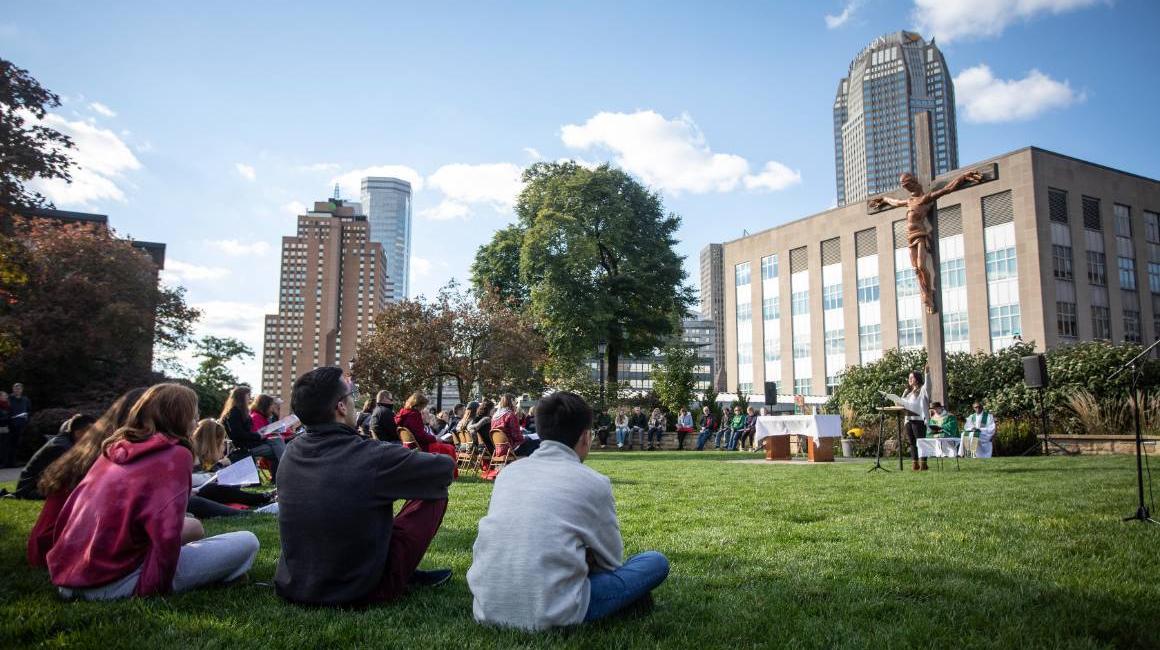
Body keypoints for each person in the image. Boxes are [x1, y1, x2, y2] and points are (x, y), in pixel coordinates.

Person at [467, 391, 669, 630]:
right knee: (654, 562)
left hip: (488, 606)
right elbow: (612, 561)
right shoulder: (593, 482)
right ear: (585, 437)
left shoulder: (508, 474)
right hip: (554, 610)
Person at [47, 384, 259, 600]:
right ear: (180, 417)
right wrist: (151, 588)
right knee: (247, 541)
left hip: (68, 579)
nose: (196, 423)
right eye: (194, 416)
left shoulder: (112, 450)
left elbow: (70, 511)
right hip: (113, 582)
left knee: (193, 528)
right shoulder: (175, 454)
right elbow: (166, 534)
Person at [274, 366, 454, 606]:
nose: (354, 400)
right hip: (361, 588)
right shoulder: (372, 456)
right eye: (351, 394)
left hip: (295, 584)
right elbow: (443, 470)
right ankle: (399, 570)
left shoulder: (290, 452)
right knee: (434, 493)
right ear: (340, 406)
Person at [28, 387, 148, 568]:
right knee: (189, 528)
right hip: (65, 549)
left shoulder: (95, 447)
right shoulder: (117, 452)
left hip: (47, 545)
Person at [189, 419, 275, 517]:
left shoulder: (197, 456)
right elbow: (189, 479)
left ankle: (264, 497)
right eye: (222, 443)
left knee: (221, 487)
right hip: (193, 494)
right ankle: (263, 498)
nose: (224, 447)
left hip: (195, 492)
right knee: (214, 488)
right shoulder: (192, 456)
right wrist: (213, 473)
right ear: (213, 443)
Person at [14, 414, 96, 499]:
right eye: (92, 432)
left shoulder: (67, 442)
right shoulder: (60, 447)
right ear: (79, 432)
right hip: (31, 491)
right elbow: (70, 476)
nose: (94, 436)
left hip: (39, 487)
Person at [220, 386, 285, 480]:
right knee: (277, 446)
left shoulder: (241, 412)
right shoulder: (234, 413)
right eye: (248, 395)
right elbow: (238, 434)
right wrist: (258, 436)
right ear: (241, 397)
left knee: (276, 441)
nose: (250, 398)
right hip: (245, 447)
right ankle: (285, 471)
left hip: (251, 443)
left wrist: (259, 436)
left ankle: (280, 476)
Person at [900, 370, 931, 471]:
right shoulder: (908, 392)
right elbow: (901, 403)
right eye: (909, 377)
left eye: (912, 377)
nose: (910, 379)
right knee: (912, 443)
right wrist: (903, 395)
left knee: (921, 442)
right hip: (909, 420)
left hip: (919, 420)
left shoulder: (923, 390)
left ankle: (923, 464)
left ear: (917, 379)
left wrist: (926, 374)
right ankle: (915, 464)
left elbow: (928, 385)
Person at [492, 393, 538, 458]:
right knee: (536, 442)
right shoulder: (510, 415)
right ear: (511, 401)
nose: (516, 404)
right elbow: (517, 437)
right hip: (511, 448)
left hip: (498, 449)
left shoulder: (494, 417)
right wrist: (525, 437)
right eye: (515, 401)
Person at [2, 382, 31, 467]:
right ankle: (5, 463)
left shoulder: (25, 399)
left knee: (16, 445)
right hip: (9, 425)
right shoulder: (9, 398)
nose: (17, 390)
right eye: (15, 388)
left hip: (20, 425)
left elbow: (29, 411)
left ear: (22, 390)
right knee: (6, 444)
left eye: (19, 389)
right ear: (13, 389)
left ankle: (13, 462)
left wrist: (26, 419)